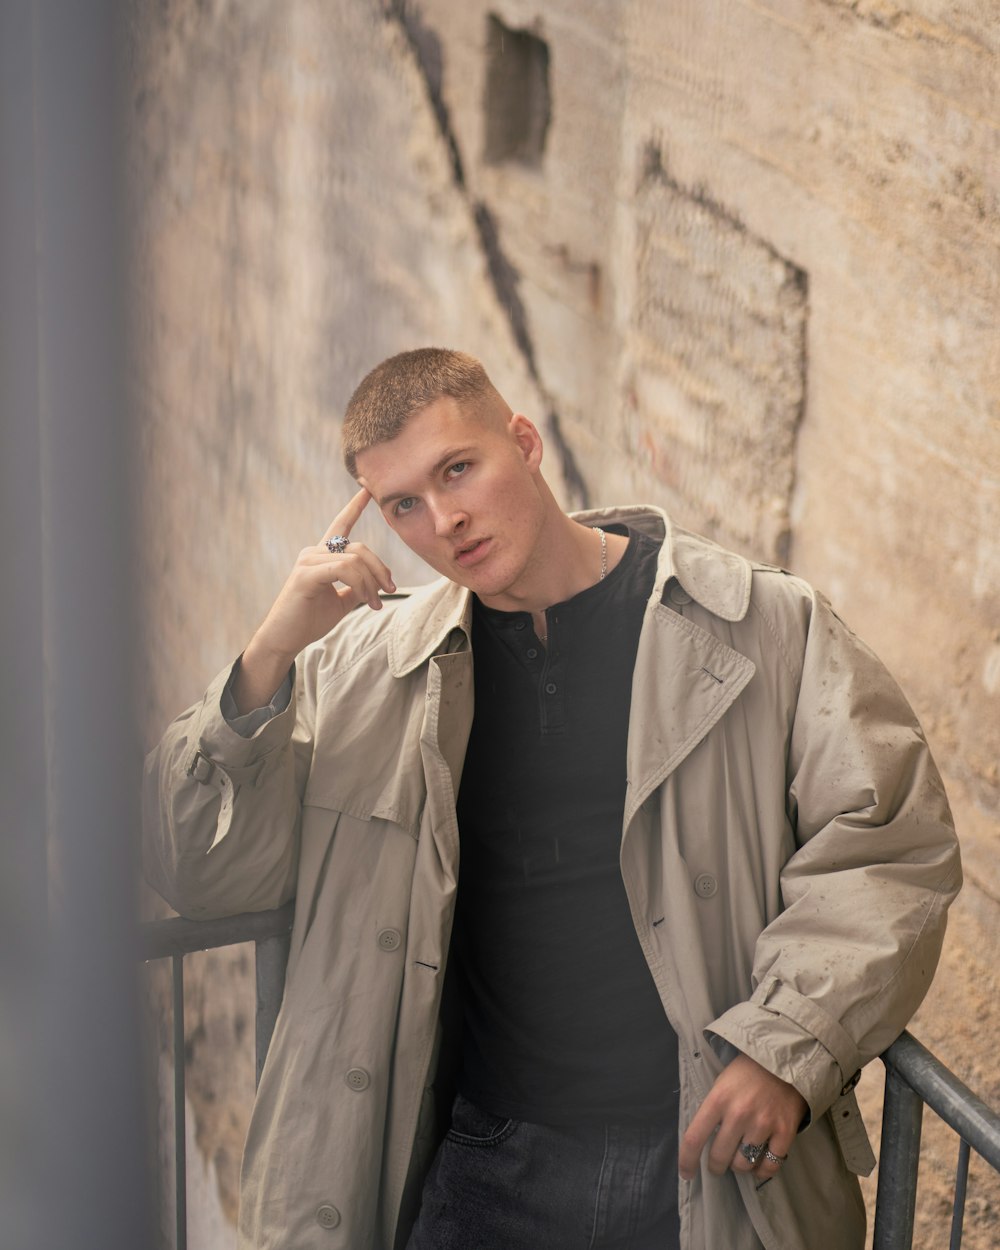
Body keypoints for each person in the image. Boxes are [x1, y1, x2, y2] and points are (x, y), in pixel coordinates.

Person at [144, 348, 961, 1250]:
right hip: (485, 1157)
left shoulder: (761, 624)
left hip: (702, 1161)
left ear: (523, 443)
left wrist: (790, 1040)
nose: (445, 519)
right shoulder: (363, 672)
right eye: (403, 504)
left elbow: (889, 848)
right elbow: (202, 873)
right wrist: (270, 653)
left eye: (459, 469)